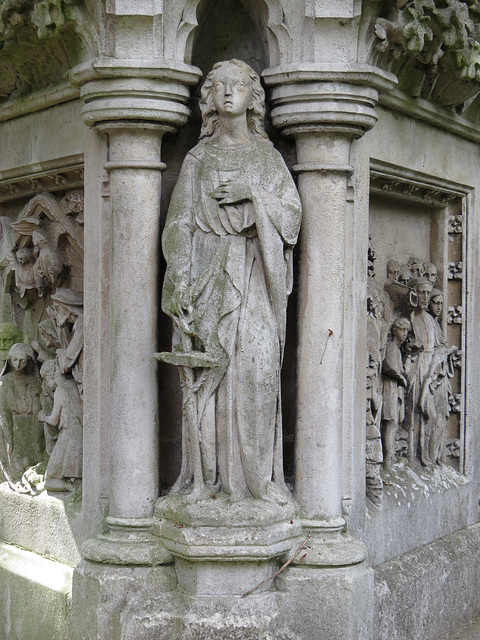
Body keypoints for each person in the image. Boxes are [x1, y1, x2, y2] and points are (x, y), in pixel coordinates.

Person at [160, 59, 302, 504]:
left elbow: (293, 217)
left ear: (252, 95)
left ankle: (258, 482)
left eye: (237, 84)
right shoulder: (198, 159)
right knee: (206, 379)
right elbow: (178, 223)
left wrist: (253, 194)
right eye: (218, 85)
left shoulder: (267, 157)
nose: (227, 92)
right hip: (205, 274)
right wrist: (179, 278)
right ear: (208, 98)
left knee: (256, 370)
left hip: (255, 276)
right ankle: (208, 482)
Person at [0, 343, 44, 482]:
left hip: (31, 425)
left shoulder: (32, 380)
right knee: (16, 463)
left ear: (29, 361)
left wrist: (36, 433)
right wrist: (9, 436)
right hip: (14, 426)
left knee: (33, 460)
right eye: (14, 360)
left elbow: (38, 406)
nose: (18, 364)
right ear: (9, 361)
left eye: (23, 361)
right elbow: (4, 411)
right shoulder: (5, 381)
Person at [39, 360, 83, 492]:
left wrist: (43, 417)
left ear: (52, 375)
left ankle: (70, 488)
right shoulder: (73, 384)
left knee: (50, 480)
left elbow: (53, 420)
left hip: (68, 434)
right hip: (80, 432)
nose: (47, 384)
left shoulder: (61, 389)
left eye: (46, 379)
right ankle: (74, 486)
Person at [381, 317, 410, 471]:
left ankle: (389, 459)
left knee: (393, 425)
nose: (404, 333)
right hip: (389, 389)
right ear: (394, 330)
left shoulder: (397, 349)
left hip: (394, 390)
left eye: (406, 330)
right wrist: (401, 379)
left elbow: (400, 370)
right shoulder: (391, 346)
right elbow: (388, 367)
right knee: (390, 424)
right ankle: (387, 461)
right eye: (402, 329)